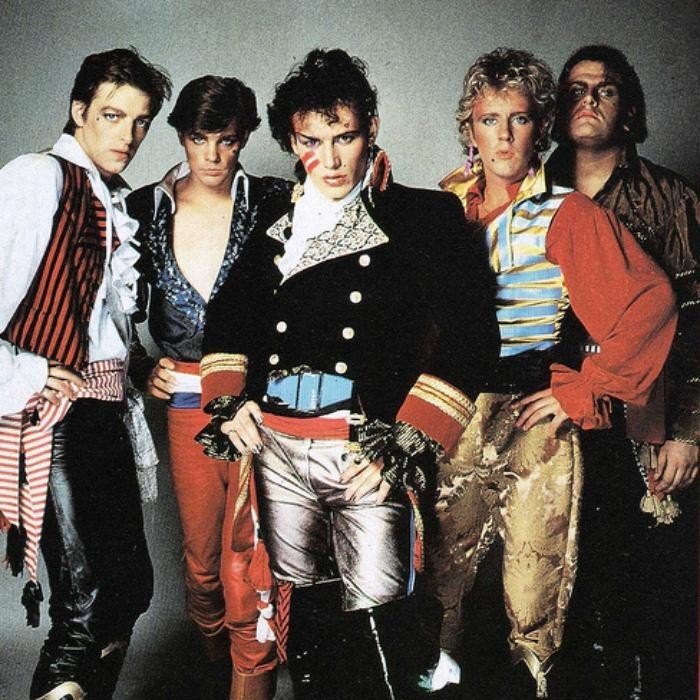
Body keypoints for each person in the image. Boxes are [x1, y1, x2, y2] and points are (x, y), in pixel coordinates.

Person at [196, 48, 500, 699]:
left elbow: (474, 335)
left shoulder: (424, 217)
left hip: (365, 446)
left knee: (386, 624)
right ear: (291, 141)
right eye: (312, 142)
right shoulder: (274, 225)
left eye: (345, 138)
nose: (331, 160)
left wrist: (407, 439)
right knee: (305, 622)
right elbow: (227, 318)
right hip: (278, 444)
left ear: (372, 129)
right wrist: (230, 401)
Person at [430, 47, 677, 699]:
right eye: (489, 120)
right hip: (450, 414)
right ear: (469, 127)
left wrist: (583, 389)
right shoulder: (443, 204)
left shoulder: (568, 213)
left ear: (541, 127)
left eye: (519, 119)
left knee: (533, 592)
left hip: (531, 420)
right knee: (437, 581)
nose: (503, 136)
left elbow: (651, 302)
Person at [0, 48, 171, 700]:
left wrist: (140, 366)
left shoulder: (108, 195)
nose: (129, 135)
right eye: (112, 115)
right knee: (86, 595)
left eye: (141, 121)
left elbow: (101, 318)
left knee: (129, 588)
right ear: (79, 111)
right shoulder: (38, 177)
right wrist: (23, 375)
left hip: (103, 412)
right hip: (51, 420)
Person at [126, 75, 290, 700]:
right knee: (202, 567)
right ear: (180, 137)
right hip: (188, 406)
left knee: (250, 561)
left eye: (228, 140)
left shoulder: (276, 200)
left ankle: (250, 677)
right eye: (200, 139)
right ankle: (214, 666)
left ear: (245, 138)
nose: (214, 155)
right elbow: (103, 314)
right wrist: (140, 368)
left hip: (260, 406)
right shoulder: (143, 209)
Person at [547, 45, 699, 699]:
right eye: (575, 90)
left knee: (652, 590)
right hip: (557, 412)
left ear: (629, 109)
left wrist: (688, 430)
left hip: (644, 418)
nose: (588, 100)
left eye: (604, 90)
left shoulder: (670, 197)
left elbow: (694, 318)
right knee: (567, 589)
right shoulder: (532, 188)